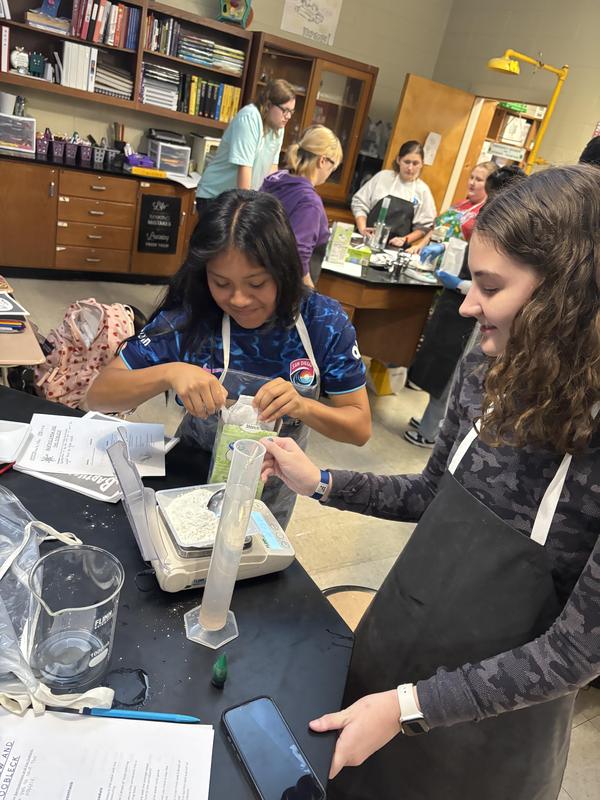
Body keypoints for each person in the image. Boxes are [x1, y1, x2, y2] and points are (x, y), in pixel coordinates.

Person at [258, 164, 600, 799]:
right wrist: (322, 481)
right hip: (397, 653)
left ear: (567, 298)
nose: (468, 305)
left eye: (490, 287)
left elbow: (574, 655)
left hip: (492, 731)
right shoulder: (488, 364)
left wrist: (409, 707)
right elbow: (428, 493)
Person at [87, 190, 371, 529]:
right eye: (221, 283)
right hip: (189, 474)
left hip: (271, 489)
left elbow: (359, 427)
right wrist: (170, 372)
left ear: (284, 270)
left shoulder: (322, 321)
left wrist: (302, 406)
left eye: (257, 283)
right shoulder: (190, 317)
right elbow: (98, 394)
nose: (238, 299)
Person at [404, 165, 526, 449]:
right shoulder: (480, 213)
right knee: (445, 368)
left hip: (475, 319)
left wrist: (461, 286)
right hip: (457, 305)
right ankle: (431, 423)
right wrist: (446, 251)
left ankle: (432, 430)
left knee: (457, 372)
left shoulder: (513, 231)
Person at [195, 79, 296, 211]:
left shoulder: (278, 127)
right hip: (215, 196)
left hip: (238, 198)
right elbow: (244, 169)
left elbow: (271, 171)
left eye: (291, 112)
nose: (288, 116)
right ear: (269, 105)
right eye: (285, 110)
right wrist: (247, 211)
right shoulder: (250, 117)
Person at [261, 125, 343, 288]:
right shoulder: (309, 201)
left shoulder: (276, 180)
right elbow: (298, 257)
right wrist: (310, 294)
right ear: (322, 160)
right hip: (283, 287)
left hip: (260, 276)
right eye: (333, 167)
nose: (330, 172)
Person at [350, 140, 436, 248]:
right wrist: (362, 229)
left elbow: (424, 227)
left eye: (415, 163)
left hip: (396, 248)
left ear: (422, 164)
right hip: (366, 240)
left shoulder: (423, 191)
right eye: (407, 162)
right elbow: (359, 203)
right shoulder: (382, 178)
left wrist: (404, 239)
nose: (410, 168)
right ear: (398, 160)